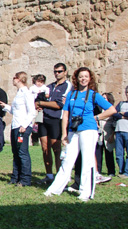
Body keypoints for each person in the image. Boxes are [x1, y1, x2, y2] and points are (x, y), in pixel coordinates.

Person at [45, 67, 116, 202]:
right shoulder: (72, 94)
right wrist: (64, 133)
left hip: (89, 130)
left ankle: (86, 192)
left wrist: (96, 118)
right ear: (76, 79)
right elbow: (65, 114)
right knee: (67, 160)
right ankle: (54, 189)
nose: (83, 79)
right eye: (81, 76)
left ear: (90, 79)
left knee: (87, 160)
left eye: (86, 76)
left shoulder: (93, 95)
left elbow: (111, 109)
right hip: (73, 130)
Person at [35, 63, 72, 185]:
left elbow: (59, 104)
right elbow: (37, 99)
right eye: (55, 71)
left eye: (60, 71)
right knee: (45, 148)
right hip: (44, 119)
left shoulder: (67, 86)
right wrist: (39, 103)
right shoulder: (49, 86)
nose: (57, 74)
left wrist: (42, 103)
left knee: (56, 149)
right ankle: (49, 175)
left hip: (56, 119)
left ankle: (60, 176)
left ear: (65, 72)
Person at [0, 72, 36, 187]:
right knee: (15, 152)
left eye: (14, 77)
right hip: (16, 125)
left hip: (22, 127)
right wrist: (6, 106)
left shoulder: (26, 93)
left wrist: (24, 125)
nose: (13, 80)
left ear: (19, 79)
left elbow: (32, 112)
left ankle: (25, 179)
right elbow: (17, 111)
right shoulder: (19, 93)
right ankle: (15, 177)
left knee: (22, 152)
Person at [95, 92, 115, 178]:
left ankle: (111, 171)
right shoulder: (98, 109)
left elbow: (114, 123)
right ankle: (98, 170)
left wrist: (112, 135)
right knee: (98, 153)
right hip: (99, 134)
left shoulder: (111, 110)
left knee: (109, 153)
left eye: (104, 98)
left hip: (108, 134)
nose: (103, 100)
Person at [29, 74, 48, 146]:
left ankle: (36, 136)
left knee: (38, 121)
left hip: (41, 107)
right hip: (33, 106)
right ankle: (34, 137)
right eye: (38, 81)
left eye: (41, 82)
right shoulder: (32, 88)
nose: (39, 83)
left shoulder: (44, 88)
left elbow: (47, 94)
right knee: (34, 121)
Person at [114, 86, 128, 178]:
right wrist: (124, 116)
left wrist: (122, 113)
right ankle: (121, 170)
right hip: (118, 130)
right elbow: (114, 113)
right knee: (119, 153)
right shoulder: (121, 103)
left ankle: (126, 172)